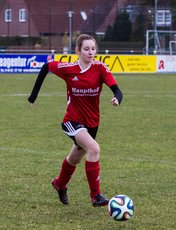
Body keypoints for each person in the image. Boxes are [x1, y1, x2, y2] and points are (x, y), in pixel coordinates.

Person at [28, 34, 123, 207]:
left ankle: (59, 184)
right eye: (86, 49)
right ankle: (96, 196)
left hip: (92, 123)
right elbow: (46, 67)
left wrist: (117, 98)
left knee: (75, 158)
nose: (90, 52)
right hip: (71, 121)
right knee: (94, 149)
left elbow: (117, 89)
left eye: (93, 49)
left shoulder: (100, 68)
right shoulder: (69, 69)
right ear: (78, 51)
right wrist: (33, 95)